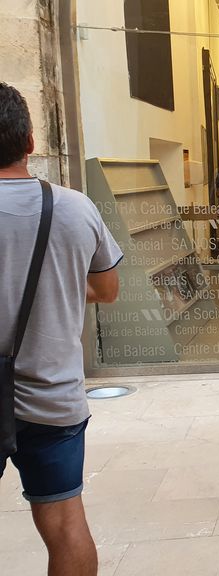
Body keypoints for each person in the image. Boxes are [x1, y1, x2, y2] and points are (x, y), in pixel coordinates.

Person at [0, 82, 122, 576]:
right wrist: (61, 288)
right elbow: (107, 290)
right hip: (52, 397)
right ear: (30, 141)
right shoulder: (74, 208)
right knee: (67, 523)